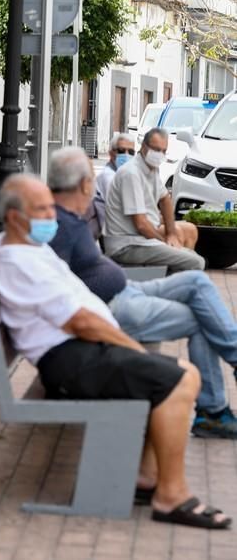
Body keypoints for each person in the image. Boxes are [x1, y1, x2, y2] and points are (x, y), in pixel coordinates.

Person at [0, 174, 230, 529]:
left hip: (78, 350)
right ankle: (171, 496)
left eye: (50, 208)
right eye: (41, 210)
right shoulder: (16, 259)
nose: (50, 217)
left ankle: (146, 478)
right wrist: (134, 351)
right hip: (70, 359)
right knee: (179, 380)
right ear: (13, 218)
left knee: (177, 376)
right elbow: (80, 321)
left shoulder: (22, 248)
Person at [49, 146, 237, 439]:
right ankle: (213, 413)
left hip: (127, 289)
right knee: (202, 318)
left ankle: (233, 364)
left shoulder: (69, 217)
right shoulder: (58, 225)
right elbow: (56, 288)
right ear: (84, 183)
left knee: (197, 283)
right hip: (112, 307)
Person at [104, 127, 205, 272]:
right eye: (156, 150)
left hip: (143, 241)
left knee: (188, 251)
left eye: (164, 151)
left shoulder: (152, 168)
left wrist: (171, 234)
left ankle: (172, 287)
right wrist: (164, 242)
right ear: (144, 147)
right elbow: (142, 225)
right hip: (127, 245)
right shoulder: (131, 173)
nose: (160, 155)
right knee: (195, 262)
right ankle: (167, 289)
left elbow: (165, 200)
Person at [92, 132, 136, 237]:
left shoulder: (124, 175)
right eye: (121, 151)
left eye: (131, 152)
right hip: (119, 236)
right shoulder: (108, 177)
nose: (126, 155)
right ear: (111, 153)